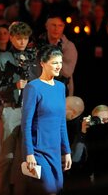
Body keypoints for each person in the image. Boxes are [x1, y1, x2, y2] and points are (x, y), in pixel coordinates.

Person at [0, 21, 38, 195]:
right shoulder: (3, 58)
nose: (22, 42)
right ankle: (2, 191)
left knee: (26, 155)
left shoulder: (32, 58)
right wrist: (14, 86)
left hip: (28, 110)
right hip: (10, 109)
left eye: (25, 38)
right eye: (19, 38)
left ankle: (22, 191)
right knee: (7, 156)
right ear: (11, 38)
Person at [21, 44, 72, 195]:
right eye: (55, 62)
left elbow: (62, 122)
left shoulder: (61, 87)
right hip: (39, 151)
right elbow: (26, 123)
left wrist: (67, 150)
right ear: (43, 63)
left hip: (55, 150)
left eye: (60, 62)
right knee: (49, 190)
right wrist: (29, 153)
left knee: (57, 189)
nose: (59, 66)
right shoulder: (33, 87)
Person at [36, 10, 78, 96]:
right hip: (39, 90)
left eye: (60, 26)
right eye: (53, 25)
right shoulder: (37, 43)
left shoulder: (69, 46)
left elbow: (67, 72)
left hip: (60, 91)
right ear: (46, 26)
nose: (56, 29)